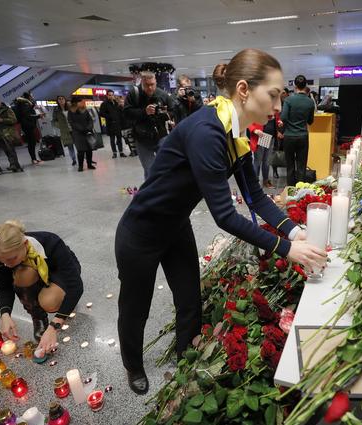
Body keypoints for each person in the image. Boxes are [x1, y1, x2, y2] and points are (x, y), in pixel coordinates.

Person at [115, 49, 327, 394]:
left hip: (175, 226)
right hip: (142, 231)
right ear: (244, 89)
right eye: (272, 95)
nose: (277, 107)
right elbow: (225, 215)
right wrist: (285, 249)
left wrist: (294, 229)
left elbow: (255, 197)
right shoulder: (207, 131)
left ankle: (186, 364)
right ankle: (132, 365)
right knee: (135, 307)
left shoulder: (234, 132)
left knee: (189, 301)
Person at [0, 220, 83, 353]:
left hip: (57, 272)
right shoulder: (0, 255)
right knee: (23, 274)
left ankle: (57, 297)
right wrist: (5, 314)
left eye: (11, 258)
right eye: (2, 261)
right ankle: (38, 316)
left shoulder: (51, 242)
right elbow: (4, 286)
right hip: (30, 274)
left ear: (25, 244)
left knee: (49, 302)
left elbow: (75, 286)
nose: (6, 265)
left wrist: (54, 326)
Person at [124, 71, 174, 179]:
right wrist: (144, 112)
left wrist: (165, 114)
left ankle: (164, 191)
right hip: (142, 138)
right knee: (149, 169)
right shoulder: (134, 93)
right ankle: (151, 193)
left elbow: (173, 110)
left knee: (165, 167)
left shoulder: (163, 94)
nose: (150, 88)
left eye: (152, 84)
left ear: (156, 82)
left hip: (161, 136)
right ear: (142, 82)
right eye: (147, 85)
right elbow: (126, 113)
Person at [281, 75, 315, 186]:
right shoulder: (310, 102)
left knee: (290, 166)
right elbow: (310, 121)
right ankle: (300, 191)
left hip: (289, 137)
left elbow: (284, 117)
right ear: (305, 86)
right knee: (301, 166)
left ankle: (290, 190)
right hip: (302, 136)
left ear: (295, 85)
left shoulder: (288, 100)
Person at [0, 95, 23, 172]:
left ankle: (15, 165)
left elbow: (14, 120)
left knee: (11, 149)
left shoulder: (6, 109)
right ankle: (12, 164)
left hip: (8, 132)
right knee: (6, 150)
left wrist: (2, 120)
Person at [67, 96, 96, 172]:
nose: (82, 103)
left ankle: (89, 164)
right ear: (75, 103)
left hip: (87, 132)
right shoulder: (71, 112)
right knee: (81, 151)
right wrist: (81, 129)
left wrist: (89, 127)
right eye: (80, 101)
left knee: (89, 150)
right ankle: (80, 166)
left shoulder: (85, 110)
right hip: (78, 134)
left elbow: (90, 120)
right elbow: (72, 122)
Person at [14, 92, 42, 165]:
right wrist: (38, 116)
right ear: (29, 96)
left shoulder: (25, 103)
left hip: (28, 125)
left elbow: (26, 112)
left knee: (32, 142)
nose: (32, 96)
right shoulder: (24, 103)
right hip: (27, 126)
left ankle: (34, 158)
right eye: (31, 95)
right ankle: (33, 159)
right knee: (31, 142)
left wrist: (32, 106)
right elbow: (27, 116)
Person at [250, 113, 278, 187]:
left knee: (267, 161)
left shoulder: (274, 107)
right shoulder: (257, 106)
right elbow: (248, 120)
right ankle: (255, 182)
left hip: (271, 137)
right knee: (258, 161)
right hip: (260, 137)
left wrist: (279, 124)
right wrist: (254, 130)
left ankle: (266, 181)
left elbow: (277, 119)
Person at [99, 90, 126, 159]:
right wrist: (109, 116)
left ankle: (121, 152)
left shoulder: (116, 103)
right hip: (110, 124)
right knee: (112, 139)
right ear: (107, 96)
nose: (111, 96)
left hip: (118, 124)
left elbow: (120, 112)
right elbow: (101, 113)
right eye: (109, 95)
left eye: (112, 95)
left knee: (119, 139)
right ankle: (114, 153)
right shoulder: (104, 104)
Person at [51, 96, 76, 166]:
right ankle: (74, 159)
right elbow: (54, 121)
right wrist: (60, 126)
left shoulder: (70, 107)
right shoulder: (56, 110)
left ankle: (85, 158)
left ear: (65, 100)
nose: (61, 100)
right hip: (65, 131)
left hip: (74, 129)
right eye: (59, 99)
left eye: (62, 99)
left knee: (79, 144)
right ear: (57, 101)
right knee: (70, 146)